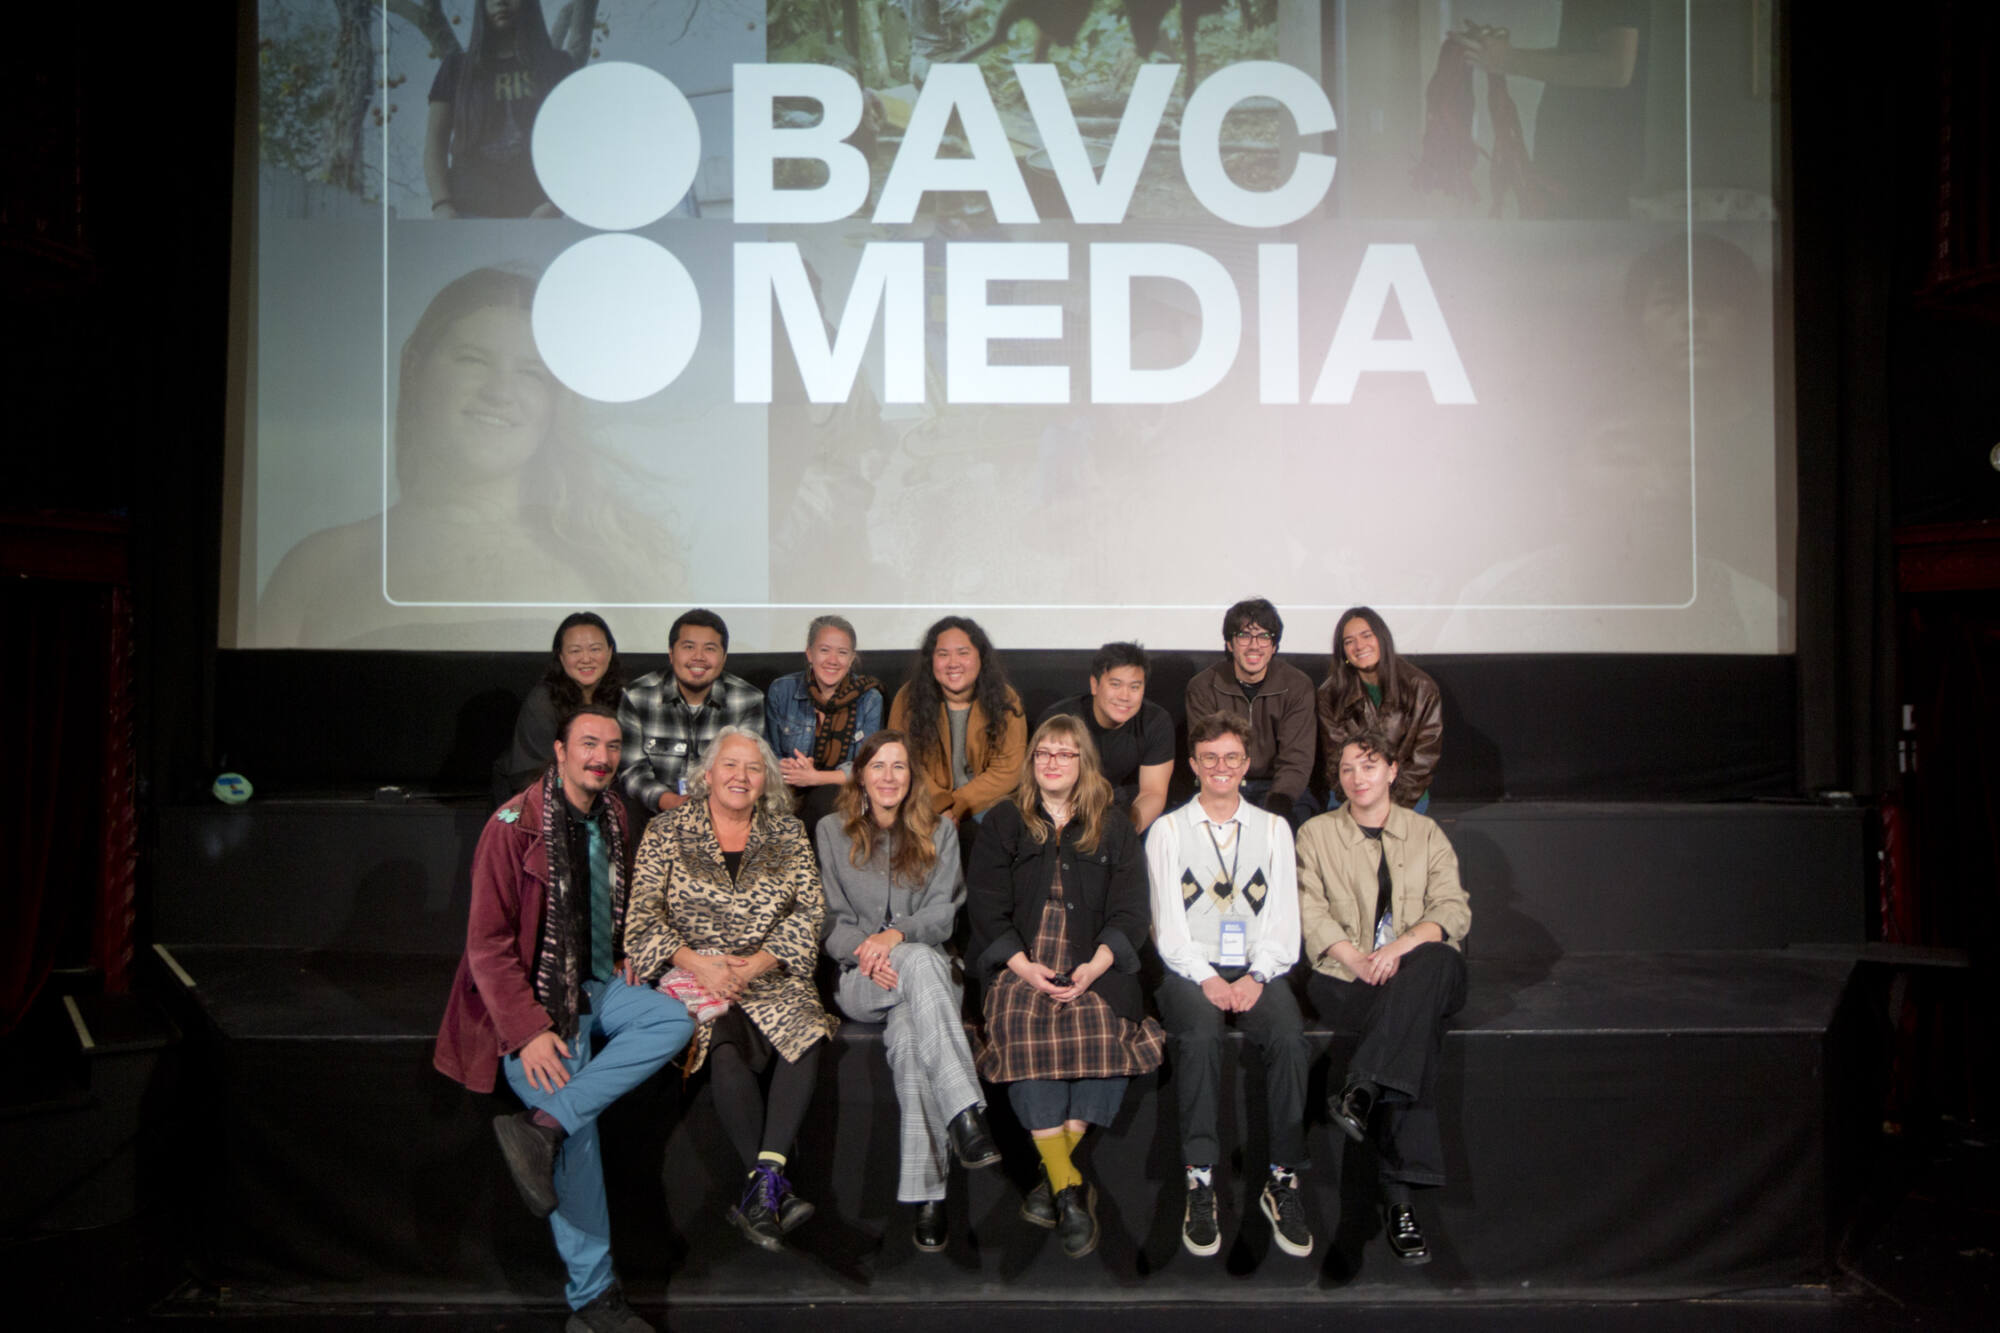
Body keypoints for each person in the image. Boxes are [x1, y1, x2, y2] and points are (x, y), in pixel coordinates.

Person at [434, 704, 694, 1333]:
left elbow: (613, 902)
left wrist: (624, 950)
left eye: (612, 746)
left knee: (673, 1022)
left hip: (597, 985)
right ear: (559, 751)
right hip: (533, 1003)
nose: (601, 757)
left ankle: (543, 1124)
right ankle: (593, 1298)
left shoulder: (613, 814)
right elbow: (488, 948)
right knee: (581, 1140)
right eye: (588, 744)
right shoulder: (512, 826)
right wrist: (527, 1032)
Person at [255, 266, 677, 648]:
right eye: (473, 360)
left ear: (557, 400)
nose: (500, 393)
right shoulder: (318, 569)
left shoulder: (627, 564)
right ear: (415, 369)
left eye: (531, 373)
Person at [625, 727, 836, 1251]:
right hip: (699, 976)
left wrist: (761, 961)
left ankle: (762, 1185)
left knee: (808, 1030)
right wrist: (700, 964)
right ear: (708, 773)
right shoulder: (667, 830)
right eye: (731, 765)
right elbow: (642, 919)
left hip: (770, 972)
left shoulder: (787, 831)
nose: (741, 777)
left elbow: (811, 910)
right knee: (722, 1044)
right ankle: (770, 1190)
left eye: (754, 768)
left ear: (766, 780)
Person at [967, 716, 1164, 1260]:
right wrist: (1023, 967)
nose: (1052, 763)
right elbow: (986, 905)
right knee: (1022, 1036)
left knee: (1107, 1035)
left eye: (1065, 754)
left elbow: (1131, 910)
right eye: (1043, 753)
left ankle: (1051, 1181)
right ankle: (1069, 1187)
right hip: (1022, 959)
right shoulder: (1004, 820)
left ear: (1084, 763)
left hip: (1093, 959)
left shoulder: (1113, 824)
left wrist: (1096, 966)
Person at [816, 730, 1000, 1252]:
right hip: (861, 979)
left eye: (899, 766)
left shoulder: (939, 830)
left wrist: (896, 937)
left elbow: (943, 914)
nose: (889, 777)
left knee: (912, 1043)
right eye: (878, 766)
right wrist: (869, 951)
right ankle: (965, 1112)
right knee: (920, 963)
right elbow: (827, 918)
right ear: (861, 775)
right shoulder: (831, 830)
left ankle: (928, 1197)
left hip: (925, 978)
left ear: (911, 777)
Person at [1295, 724, 1472, 1266]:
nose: (1357, 777)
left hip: (1417, 969)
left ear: (1393, 772)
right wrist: (1356, 958)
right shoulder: (1315, 834)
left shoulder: (1426, 833)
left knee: (1437, 960)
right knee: (1411, 1034)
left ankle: (1362, 1088)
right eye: (1347, 769)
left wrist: (1399, 949)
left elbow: (1453, 908)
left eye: (1369, 766)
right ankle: (1400, 1202)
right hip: (1343, 975)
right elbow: (1308, 909)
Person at [1145, 713, 1312, 1259]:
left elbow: (1284, 917)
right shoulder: (1168, 831)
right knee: (1198, 1037)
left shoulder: (1274, 829)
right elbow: (1167, 925)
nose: (1222, 767)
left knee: (1289, 1038)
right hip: (1190, 968)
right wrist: (1208, 977)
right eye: (1210, 758)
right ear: (1193, 766)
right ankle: (1200, 1181)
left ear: (1247, 764)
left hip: (1258, 967)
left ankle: (1282, 1179)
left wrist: (1259, 974)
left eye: (1232, 758)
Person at [425, 0, 575, 219]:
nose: (500, 2)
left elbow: (577, 142)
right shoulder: (456, 67)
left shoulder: (558, 65)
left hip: (537, 214)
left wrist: (555, 203)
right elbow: (434, 146)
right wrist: (442, 204)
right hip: (468, 213)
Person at [1183, 598, 1318, 827]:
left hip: (1279, 786)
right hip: (1223, 781)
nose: (1254, 646)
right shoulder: (1203, 687)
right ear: (1230, 643)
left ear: (1274, 646)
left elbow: (1296, 759)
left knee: (1296, 825)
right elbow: (1207, 754)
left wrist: (1277, 807)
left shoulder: (1297, 686)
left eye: (1264, 636)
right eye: (1244, 636)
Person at [619, 610, 765, 817]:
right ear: (671, 653)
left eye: (710, 649)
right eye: (688, 647)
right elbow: (631, 769)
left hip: (724, 812)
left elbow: (745, 771)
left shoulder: (748, 700)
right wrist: (670, 801)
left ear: (724, 658)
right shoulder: (637, 696)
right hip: (654, 811)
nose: (698, 657)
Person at [887, 616, 1027, 827]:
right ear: (931, 660)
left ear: (980, 657)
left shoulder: (1005, 699)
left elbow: (1009, 769)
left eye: (963, 653)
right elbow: (903, 760)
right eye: (943, 654)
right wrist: (940, 805)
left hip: (985, 802)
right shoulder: (908, 698)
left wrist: (957, 806)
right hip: (924, 799)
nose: (953, 663)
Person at [1036, 641, 1175, 835]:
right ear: (1095, 685)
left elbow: (1153, 793)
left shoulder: (1155, 722)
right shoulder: (1060, 719)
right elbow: (1048, 787)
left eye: (1135, 687)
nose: (1125, 696)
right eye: (1115, 685)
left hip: (1125, 817)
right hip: (1067, 814)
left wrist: (1121, 835)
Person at [765, 614, 885, 834]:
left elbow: (868, 766)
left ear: (852, 658)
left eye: (842, 652)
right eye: (824, 650)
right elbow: (768, 753)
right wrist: (789, 767)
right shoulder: (782, 691)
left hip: (844, 795)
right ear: (809, 653)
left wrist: (815, 778)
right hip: (786, 789)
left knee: (826, 801)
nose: (833, 660)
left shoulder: (870, 699)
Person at [1316, 607, 1443, 813]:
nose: (1359, 646)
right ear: (1343, 651)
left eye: (1367, 636)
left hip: (1405, 796)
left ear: (1382, 639)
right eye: (1349, 641)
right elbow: (1335, 759)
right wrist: (1361, 801)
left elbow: (1423, 760)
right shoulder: (1329, 694)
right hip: (1352, 794)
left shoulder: (1421, 688)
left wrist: (1389, 805)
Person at [495, 612, 627, 805]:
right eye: (575, 651)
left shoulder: (623, 697)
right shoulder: (542, 702)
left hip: (601, 796)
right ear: (561, 657)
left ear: (609, 652)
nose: (586, 659)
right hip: (543, 798)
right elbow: (531, 773)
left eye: (595, 649)